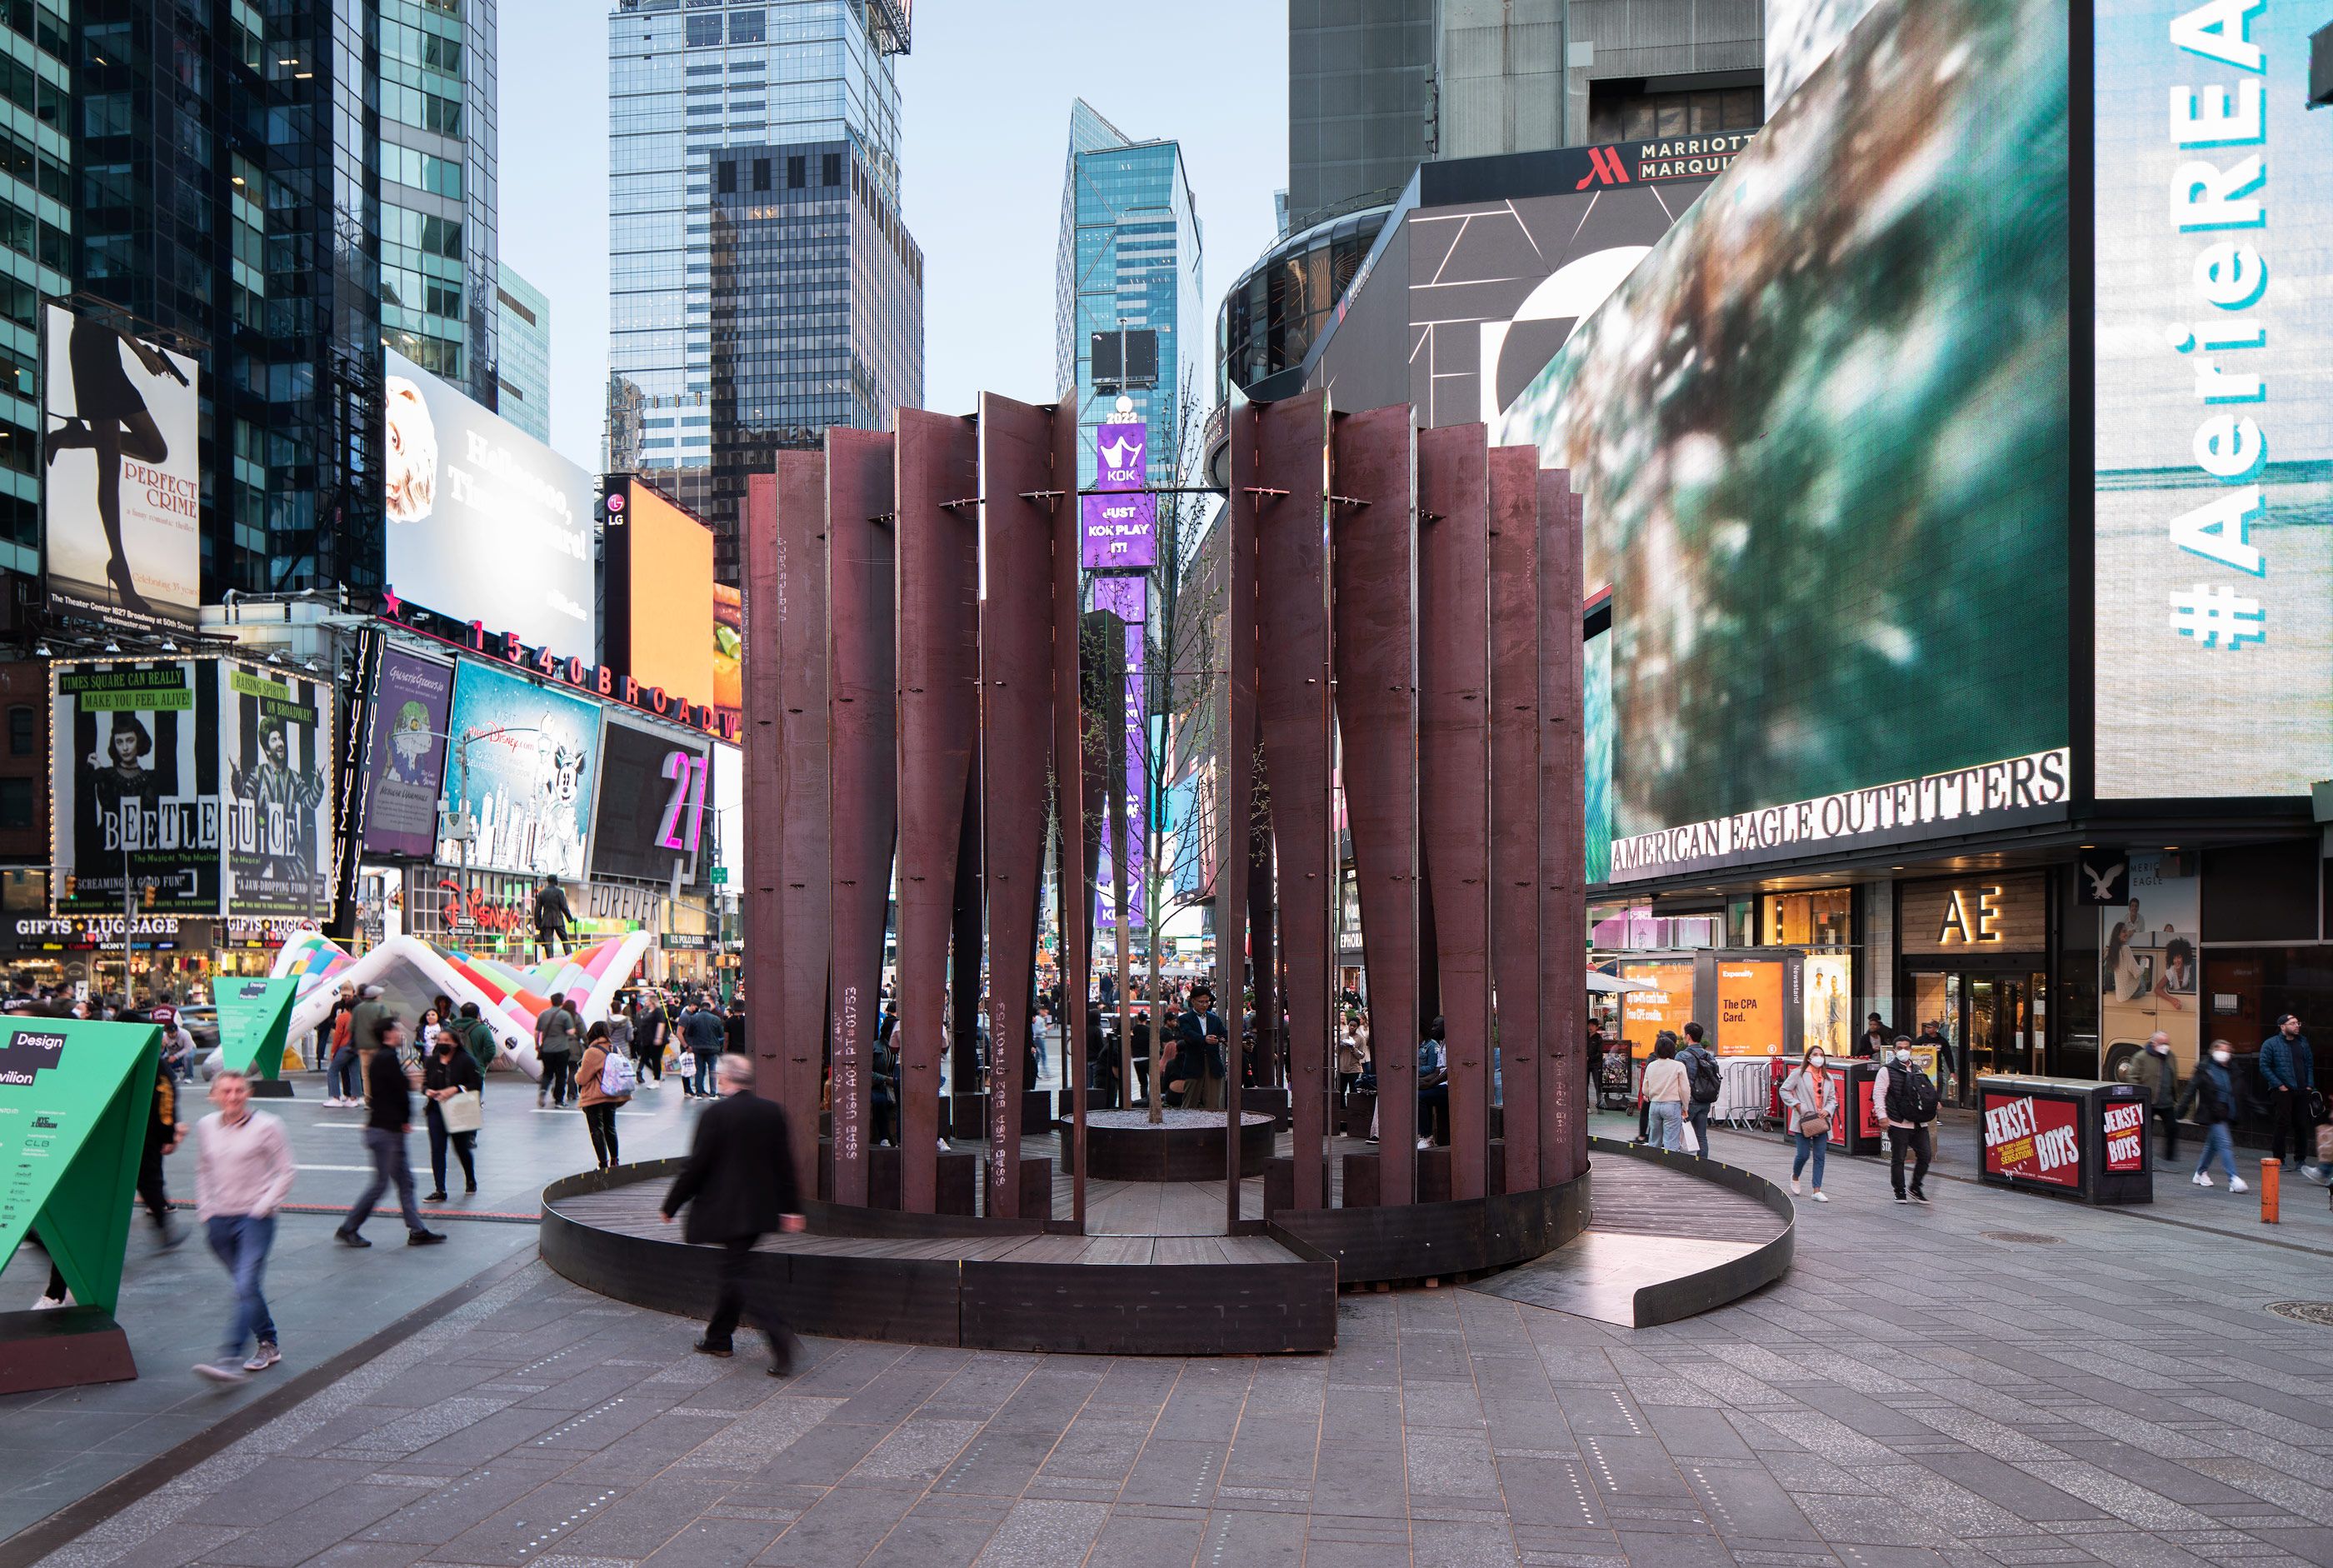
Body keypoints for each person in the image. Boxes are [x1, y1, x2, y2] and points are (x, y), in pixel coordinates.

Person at [660, 1053, 807, 1374]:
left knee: (740, 1275)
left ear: (724, 1078)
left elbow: (696, 1165)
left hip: (726, 1210)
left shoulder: (716, 1114)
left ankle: (780, 1338)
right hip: (759, 1210)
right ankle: (719, 1337)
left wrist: (672, 1204)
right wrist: (793, 1207)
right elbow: (784, 1164)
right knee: (735, 1270)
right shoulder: (772, 1112)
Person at [47, 313, 188, 614]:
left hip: (107, 354)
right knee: (109, 469)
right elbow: (103, 310)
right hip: (91, 346)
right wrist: (141, 351)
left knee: (156, 450)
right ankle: (121, 569)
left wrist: (142, 349)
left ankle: (73, 437)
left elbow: (114, 311)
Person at [189, 1070, 297, 1384]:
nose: (233, 1096)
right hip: (219, 1220)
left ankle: (230, 1358)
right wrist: (205, 1210)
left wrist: (263, 1207)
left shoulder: (268, 1126)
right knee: (246, 1286)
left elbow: (286, 1171)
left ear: (248, 1093)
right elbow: (203, 1169)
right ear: (214, 1096)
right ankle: (269, 1342)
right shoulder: (206, 1126)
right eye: (226, 1091)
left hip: (255, 1219)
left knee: (245, 1284)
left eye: (238, 1090)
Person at [337, 1017, 446, 1247]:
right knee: (381, 1184)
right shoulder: (386, 1059)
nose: (399, 1034)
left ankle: (417, 1230)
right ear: (387, 1034)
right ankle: (349, 1227)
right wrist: (404, 1118)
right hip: (386, 1132)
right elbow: (395, 1094)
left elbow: (389, 1089)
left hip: (386, 1129)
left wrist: (407, 1084)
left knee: (405, 1181)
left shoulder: (383, 1058)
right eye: (395, 1030)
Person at [1875, 1036, 1939, 1204]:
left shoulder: (1918, 1069)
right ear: (1894, 1051)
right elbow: (1879, 1094)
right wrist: (1882, 1116)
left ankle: (1916, 1187)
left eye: (1906, 1047)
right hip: (1898, 1121)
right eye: (1899, 1047)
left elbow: (1925, 1092)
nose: (1903, 1050)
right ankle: (1900, 1190)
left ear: (1911, 1050)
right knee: (1899, 1158)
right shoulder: (1886, 1071)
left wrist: (1934, 1103)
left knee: (1925, 1155)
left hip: (1919, 1122)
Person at [421, 1025, 482, 1201]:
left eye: (447, 1041)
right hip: (436, 1109)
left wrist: (456, 1089)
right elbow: (425, 1084)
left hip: (458, 1110)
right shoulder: (432, 1061)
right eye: (440, 1040)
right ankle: (440, 1189)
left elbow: (476, 1084)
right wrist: (427, 1091)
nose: (442, 1044)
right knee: (437, 1149)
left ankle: (470, 1179)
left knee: (461, 1147)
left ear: (455, 1043)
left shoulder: (466, 1061)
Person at [2181, 1038, 2247, 1193]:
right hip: (2212, 1112)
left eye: (2227, 1050)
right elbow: (2191, 1089)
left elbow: (2240, 1091)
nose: (2224, 1053)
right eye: (2221, 1049)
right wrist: (2182, 1108)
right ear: (2213, 1051)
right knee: (2224, 1143)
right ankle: (2233, 1179)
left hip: (2226, 1112)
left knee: (2212, 1145)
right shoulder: (2205, 1068)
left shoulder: (2232, 1069)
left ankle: (2200, 1173)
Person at [2258, 1014, 2320, 1173]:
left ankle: (2300, 1160)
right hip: (2282, 1091)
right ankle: (2279, 1159)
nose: (2297, 1026)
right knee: (2282, 1124)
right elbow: (2264, 1066)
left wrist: (2309, 1085)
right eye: (2292, 1023)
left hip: (2302, 1090)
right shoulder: (2271, 1043)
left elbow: (2309, 1065)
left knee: (2301, 1125)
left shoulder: (2303, 1042)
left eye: (2297, 1023)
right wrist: (2280, 1085)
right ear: (2282, 1026)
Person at [140, 1053, 187, 1248]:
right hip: (145, 1131)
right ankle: (163, 1226)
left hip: (125, 1129)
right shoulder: (150, 1057)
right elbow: (166, 1092)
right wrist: (168, 1133)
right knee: (150, 1179)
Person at [1781, 1046, 1837, 1202]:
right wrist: (1798, 1105)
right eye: (1815, 1054)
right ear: (1808, 1058)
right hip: (1804, 1120)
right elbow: (1784, 1090)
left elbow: (1833, 1098)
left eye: (1821, 1055)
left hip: (1821, 1121)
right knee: (1803, 1154)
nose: (1819, 1057)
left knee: (1820, 1155)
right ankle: (1795, 1175)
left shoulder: (1828, 1077)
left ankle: (1817, 1190)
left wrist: (1828, 1109)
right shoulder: (1799, 1073)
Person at [577, 1021, 632, 1171]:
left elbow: (582, 1078)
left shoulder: (592, 1051)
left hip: (595, 1097)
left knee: (596, 1130)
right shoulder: (614, 1048)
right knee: (610, 1127)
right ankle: (615, 1161)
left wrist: (577, 1075)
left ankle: (602, 1164)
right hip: (612, 1095)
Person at [2129, 1031, 2181, 1161]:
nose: (2165, 1046)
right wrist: (2141, 1094)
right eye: (2162, 1043)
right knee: (2145, 1131)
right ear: (2154, 1043)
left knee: (2172, 1128)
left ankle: (2169, 1156)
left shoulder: (2171, 1057)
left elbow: (2173, 1076)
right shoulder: (2141, 1057)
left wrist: (2175, 1095)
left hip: (2166, 1102)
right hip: (2148, 1101)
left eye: (2167, 1043)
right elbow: (2131, 1076)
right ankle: (2143, 1156)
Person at [1176, 986, 1230, 1111]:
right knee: (1190, 1104)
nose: (1205, 1005)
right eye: (1201, 1001)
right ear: (1193, 1001)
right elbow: (1188, 1034)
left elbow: (1224, 1034)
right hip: (1194, 1065)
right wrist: (1204, 1039)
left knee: (1213, 1105)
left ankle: (1211, 1128)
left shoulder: (1214, 1019)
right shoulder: (1185, 1019)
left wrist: (1223, 1040)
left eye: (1207, 1001)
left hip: (1213, 1065)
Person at [1639, 1032, 1689, 1153]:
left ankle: (1653, 1165)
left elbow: (1645, 1089)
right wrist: (1685, 1107)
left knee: (1654, 1141)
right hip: (1672, 1106)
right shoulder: (1678, 1066)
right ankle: (1670, 1167)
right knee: (1671, 1143)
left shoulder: (1651, 1066)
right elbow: (1684, 1089)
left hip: (1655, 1105)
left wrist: (1651, 1095)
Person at [1677, 1021, 1721, 1160]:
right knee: (1701, 1136)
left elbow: (1678, 1079)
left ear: (1688, 1037)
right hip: (1705, 1101)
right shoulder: (1709, 1057)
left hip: (1688, 1102)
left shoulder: (1682, 1056)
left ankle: (1680, 1163)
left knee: (1679, 1134)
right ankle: (1703, 1165)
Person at [537, 991, 578, 1109]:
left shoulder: (543, 1014)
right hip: (562, 1049)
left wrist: (537, 1045)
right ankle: (559, 1101)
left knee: (547, 1073)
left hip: (546, 1049)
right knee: (561, 1075)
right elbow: (571, 1032)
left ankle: (543, 1090)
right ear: (561, 1002)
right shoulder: (565, 1015)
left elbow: (537, 1032)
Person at [324, 981, 361, 1105]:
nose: (345, 997)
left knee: (333, 1071)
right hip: (357, 1046)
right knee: (355, 1072)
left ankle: (335, 1097)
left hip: (344, 1046)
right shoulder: (359, 1015)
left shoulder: (342, 1017)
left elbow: (338, 1035)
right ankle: (355, 1098)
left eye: (348, 995)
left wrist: (333, 1051)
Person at [682, 996, 726, 1096]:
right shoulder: (716, 1019)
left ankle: (698, 1093)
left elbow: (689, 1034)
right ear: (709, 1008)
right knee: (712, 1070)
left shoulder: (693, 1018)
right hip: (712, 1049)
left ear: (701, 1008)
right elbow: (721, 1035)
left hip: (698, 1049)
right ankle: (713, 1093)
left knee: (699, 1071)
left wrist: (691, 1044)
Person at [532, 873, 573, 961]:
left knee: (548, 942)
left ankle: (550, 960)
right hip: (558, 920)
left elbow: (537, 910)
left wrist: (538, 924)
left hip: (546, 921)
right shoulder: (559, 892)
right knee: (565, 939)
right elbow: (564, 907)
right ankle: (570, 957)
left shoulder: (542, 893)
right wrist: (570, 919)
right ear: (555, 881)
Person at [458, 1001, 499, 1076]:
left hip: (456, 1068)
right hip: (476, 1068)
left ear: (461, 1014)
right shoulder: (483, 1029)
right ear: (478, 1015)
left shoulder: (452, 1027)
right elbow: (491, 1050)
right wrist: (481, 1062)